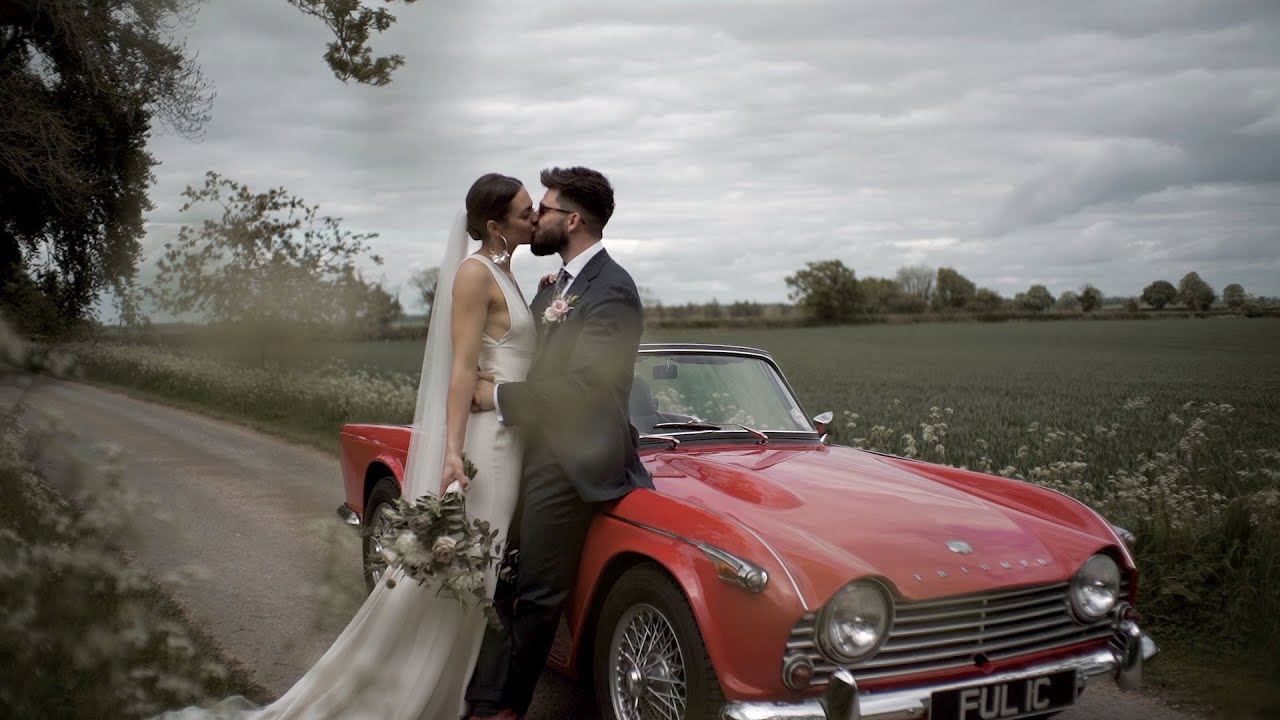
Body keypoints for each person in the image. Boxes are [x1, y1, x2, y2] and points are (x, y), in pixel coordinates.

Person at [155, 172, 538, 720]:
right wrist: (453, 450)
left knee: (481, 569)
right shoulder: (475, 275)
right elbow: (459, 369)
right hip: (489, 447)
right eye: (525, 211)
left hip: (512, 435)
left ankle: (460, 687)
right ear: (496, 225)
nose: (534, 218)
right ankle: (412, 688)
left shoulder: (509, 274)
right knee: (464, 567)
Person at [466, 166, 654, 720]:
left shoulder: (613, 291)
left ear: (572, 220)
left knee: (538, 596)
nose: (535, 218)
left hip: (573, 460)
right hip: (533, 449)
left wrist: (496, 399)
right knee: (500, 578)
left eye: (543, 210)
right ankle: (481, 697)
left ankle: (505, 711)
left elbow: (586, 390)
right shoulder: (563, 285)